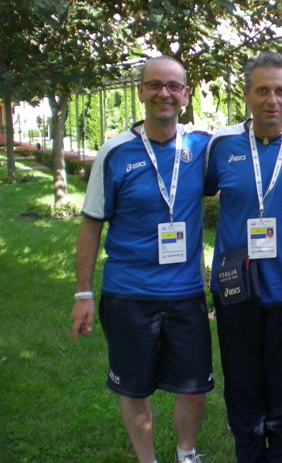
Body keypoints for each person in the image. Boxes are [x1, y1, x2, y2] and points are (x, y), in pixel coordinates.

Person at [71, 55, 213, 463]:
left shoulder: (201, 147)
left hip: (186, 294)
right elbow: (91, 224)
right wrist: (83, 292)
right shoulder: (115, 153)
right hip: (128, 294)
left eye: (173, 86)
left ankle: (186, 453)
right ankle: (147, 460)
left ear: (185, 95)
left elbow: (253, 137)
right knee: (133, 387)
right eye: (154, 84)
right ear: (141, 91)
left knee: (194, 384)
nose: (163, 93)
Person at [204, 53, 282, 462]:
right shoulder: (220, 146)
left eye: (280, 91)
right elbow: (191, 192)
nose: (271, 100)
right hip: (235, 291)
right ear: (246, 95)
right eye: (262, 90)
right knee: (241, 386)